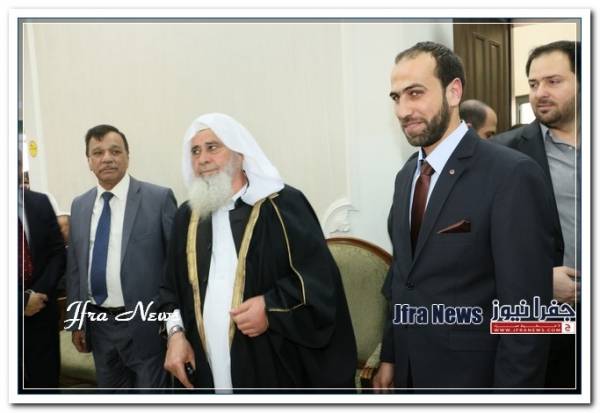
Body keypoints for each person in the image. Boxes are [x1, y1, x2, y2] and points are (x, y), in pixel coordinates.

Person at [373, 41, 554, 389]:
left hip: (475, 381)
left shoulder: (510, 174)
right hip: (410, 376)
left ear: (453, 92)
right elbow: (402, 277)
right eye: (396, 97)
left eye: (415, 93)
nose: (403, 110)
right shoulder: (406, 175)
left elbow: (527, 310)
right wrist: (391, 355)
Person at [159, 113, 356, 392]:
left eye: (212, 147)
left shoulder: (282, 206)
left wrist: (269, 307)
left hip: (270, 365)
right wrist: (175, 335)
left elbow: (319, 283)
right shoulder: (187, 217)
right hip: (205, 367)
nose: (202, 159)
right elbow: (169, 290)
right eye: (195, 151)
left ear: (240, 155)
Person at [493, 40, 581, 388]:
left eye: (553, 81)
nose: (540, 92)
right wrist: (540, 281)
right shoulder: (502, 153)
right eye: (533, 84)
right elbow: (478, 243)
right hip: (546, 318)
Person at [65, 124, 177, 388]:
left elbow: (175, 267)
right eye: (98, 153)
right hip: (99, 325)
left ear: (127, 156)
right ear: (89, 161)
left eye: (115, 151)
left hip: (147, 325)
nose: (107, 158)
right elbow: (75, 269)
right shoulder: (79, 205)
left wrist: (175, 326)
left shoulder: (158, 199)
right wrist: (76, 321)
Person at [19, 162, 67, 388]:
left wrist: (37, 294)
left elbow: (57, 253)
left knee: (45, 388)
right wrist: (20, 301)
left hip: (42, 315)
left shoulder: (39, 202)